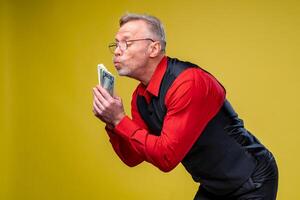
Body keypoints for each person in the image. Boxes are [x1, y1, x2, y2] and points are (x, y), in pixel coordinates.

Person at [92, 13, 278, 200]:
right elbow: (132, 158)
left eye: (127, 42)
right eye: (116, 44)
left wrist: (119, 119)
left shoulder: (188, 82)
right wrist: (112, 124)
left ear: (154, 48)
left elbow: (166, 157)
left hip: (252, 180)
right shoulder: (140, 97)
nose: (117, 51)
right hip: (214, 186)